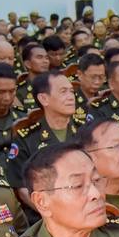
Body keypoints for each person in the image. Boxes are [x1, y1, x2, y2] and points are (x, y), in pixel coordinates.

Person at [9, 72, 84, 205]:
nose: (71, 97)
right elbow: (22, 188)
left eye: (72, 91)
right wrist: (52, 211)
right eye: (63, 92)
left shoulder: (86, 131)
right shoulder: (26, 139)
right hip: (46, 209)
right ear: (44, 99)